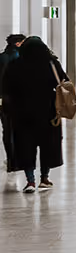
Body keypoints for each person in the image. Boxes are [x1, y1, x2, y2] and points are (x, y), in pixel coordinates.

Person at [1, 37, 67, 193]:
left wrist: (8, 110)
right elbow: (64, 82)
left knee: (25, 146)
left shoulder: (15, 65)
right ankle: (44, 178)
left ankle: (30, 181)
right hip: (48, 112)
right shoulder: (51, 64)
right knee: (47, 145)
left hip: (22, 114)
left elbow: (6, 89)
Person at [0, 34, 21, 183]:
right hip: (18, 100)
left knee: (6, 130)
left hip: (3, 100)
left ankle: (10, 161)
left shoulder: (1, 57)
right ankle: (17, 161)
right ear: (18, 44)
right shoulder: (21, 58)